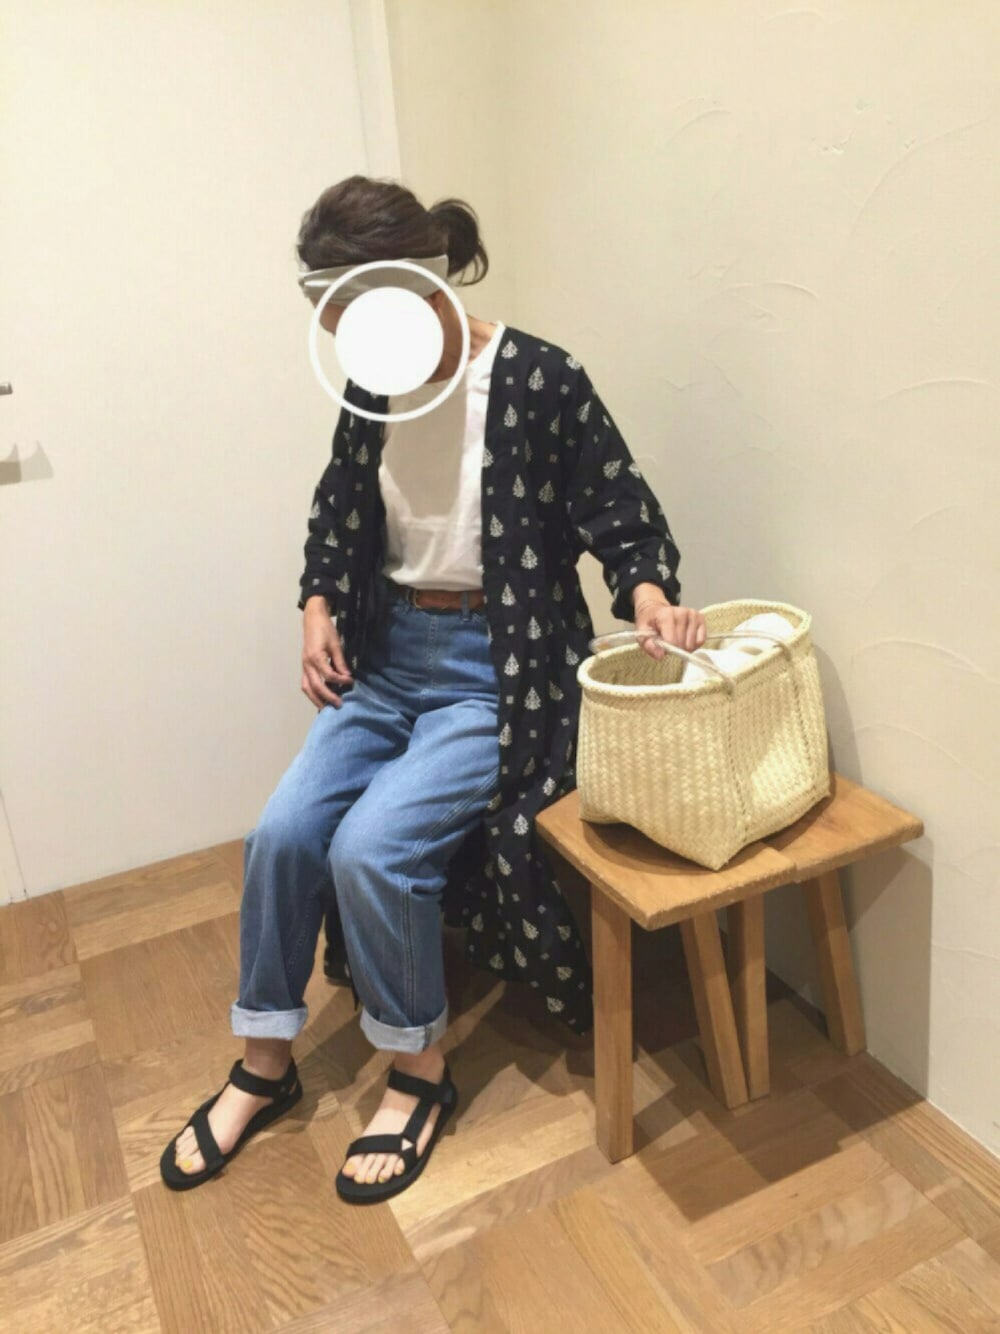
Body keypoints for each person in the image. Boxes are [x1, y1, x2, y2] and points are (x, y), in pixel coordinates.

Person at [161, 175, 706, 1204]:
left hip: (494, 670)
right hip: (384, 657)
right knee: (281, 834)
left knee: (373, 849)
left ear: (423, 285)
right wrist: (316, 605)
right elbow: (337, 512)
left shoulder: (539, 380)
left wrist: (648, 595)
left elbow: (619, 509)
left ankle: (418, 1072)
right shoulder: (373, 385)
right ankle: (264, 1062)